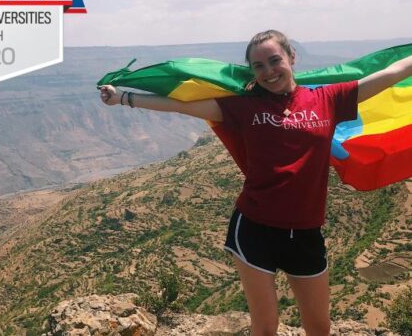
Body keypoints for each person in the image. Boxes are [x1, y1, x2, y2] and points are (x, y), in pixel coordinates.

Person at [100, 29, 412, 336]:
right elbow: (183, 105)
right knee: (264, 327)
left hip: (305, 232)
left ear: (292, 57)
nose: (269, 71)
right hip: (254, 228)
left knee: (319, 328)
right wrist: (125, 98)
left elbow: (390, 73)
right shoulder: (244, 107)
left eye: (275, 60)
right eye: (259, 66)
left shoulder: (328, 98)